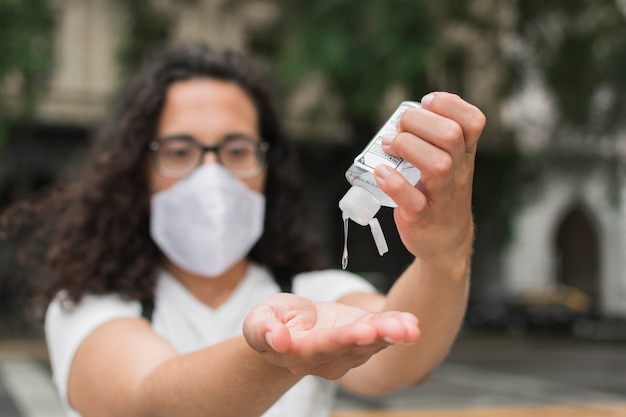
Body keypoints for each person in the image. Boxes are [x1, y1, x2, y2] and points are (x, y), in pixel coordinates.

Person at [1, 42, 485, 417]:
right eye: (179, 151)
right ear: (135, 172)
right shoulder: (89, 302)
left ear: (266, 168)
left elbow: (403, 354)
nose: (210, 176)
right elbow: (148, 401)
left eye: (236, 151)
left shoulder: (312, 292)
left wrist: (446, 255)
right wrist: (275, 359)